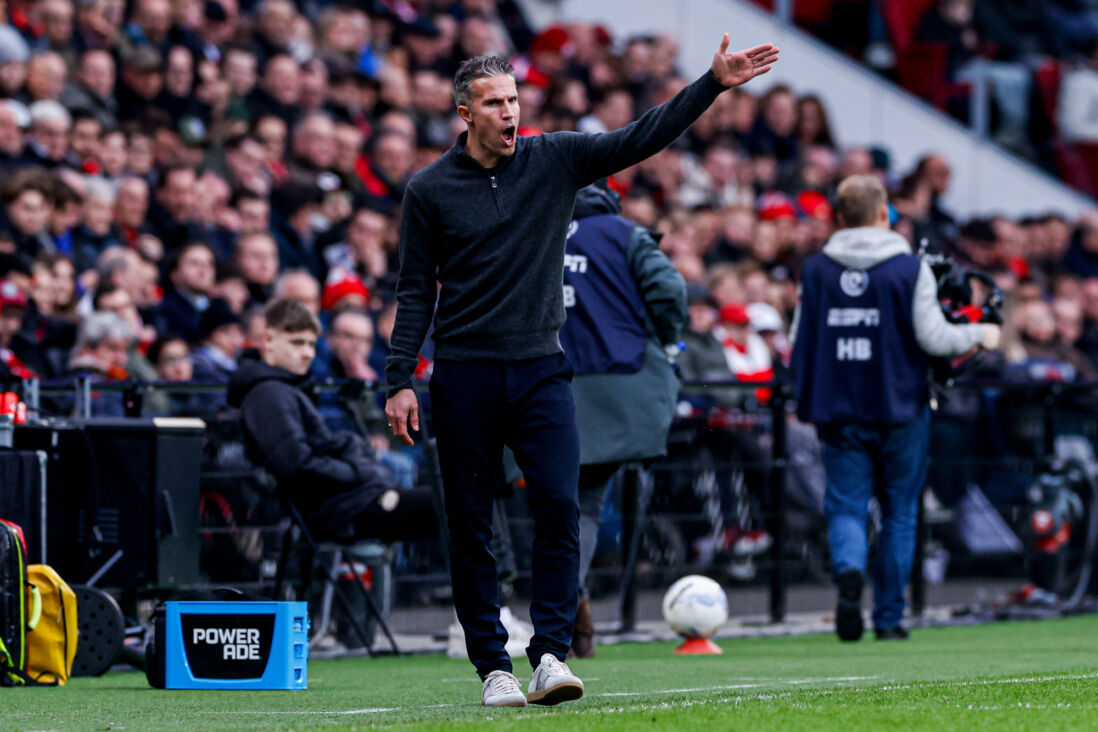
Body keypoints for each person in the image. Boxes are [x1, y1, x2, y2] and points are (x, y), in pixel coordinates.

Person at [384, 38, 779, 707]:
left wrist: (711, 85)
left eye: (514, 100)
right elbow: (416, 290)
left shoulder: (555, 158)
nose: (510, 113)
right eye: (494, 103)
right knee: (471, 525)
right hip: (464, 376)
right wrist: (397, 378)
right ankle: (493, 668)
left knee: (561, 509)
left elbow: (640, 136)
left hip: (542, 370)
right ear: (464, 113)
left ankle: (547, 655)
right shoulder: (428, 190)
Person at [790, 175, 1001, 642]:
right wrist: (979, 334)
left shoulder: (816, 270)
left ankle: (848, 570)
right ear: (884, 213)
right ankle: (888, 618)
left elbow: (797, 339)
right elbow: (934, 338)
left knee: (845, 505)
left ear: (840, 217)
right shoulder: (909, 268)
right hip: (900, 404)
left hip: (837, 406)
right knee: (900, 512)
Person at [558, 180, 686, 658]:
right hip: (615, 389)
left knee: (552, 503)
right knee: (585, 504)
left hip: (537, 385)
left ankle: (569, 602)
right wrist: (666, 339)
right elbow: (669, 290)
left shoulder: (532, 226)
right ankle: (567, 602)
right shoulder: (623, 232)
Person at [227, 298, 437, 545]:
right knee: (448, 506)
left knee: (452, 503)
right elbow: (298, 465)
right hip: (343, 508)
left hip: (351, 499)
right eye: (297, 343)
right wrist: (357, 469)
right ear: (268, 341)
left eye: (310, 344)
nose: (306, 353)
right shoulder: (270, 393)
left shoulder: (284, 388)